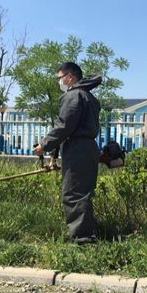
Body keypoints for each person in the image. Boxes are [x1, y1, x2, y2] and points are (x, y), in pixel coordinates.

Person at [33, 62, 101, 244]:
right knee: (84, 193)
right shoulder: (90, 97)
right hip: (89, 148)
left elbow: (64, 126)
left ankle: (82, 241)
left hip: (77, 149)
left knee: (73, 194)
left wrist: (44, 145)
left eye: (59, 78)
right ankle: (88, 234)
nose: (59, 82)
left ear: (69, 76)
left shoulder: (72, 96)